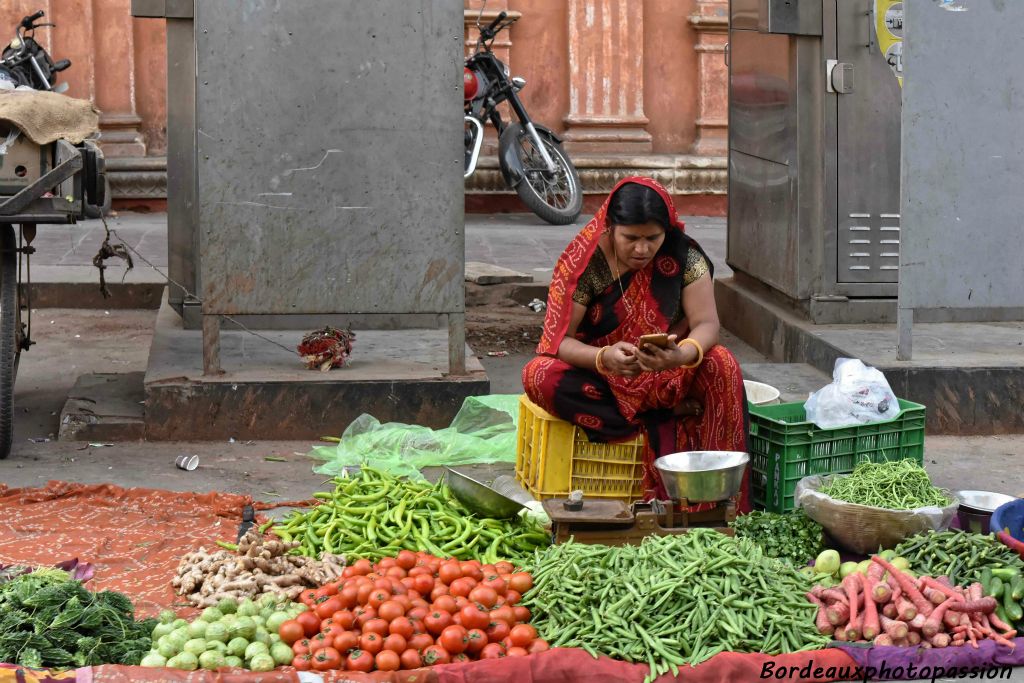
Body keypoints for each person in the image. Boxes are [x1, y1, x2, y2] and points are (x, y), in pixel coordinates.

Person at [522, 176, 751, 512]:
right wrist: (604, 357)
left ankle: (720, 503)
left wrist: (681, 355)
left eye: (652, 238)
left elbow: (706, 324)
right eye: (630, 238)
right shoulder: (585, 264)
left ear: (666, 232)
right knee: (538, 374)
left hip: (668, 376)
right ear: (610, 227)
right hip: (606, 380)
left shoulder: (684, 257)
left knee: (722, 362)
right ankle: (662, 419)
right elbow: (558, 343)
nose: (642, 249)